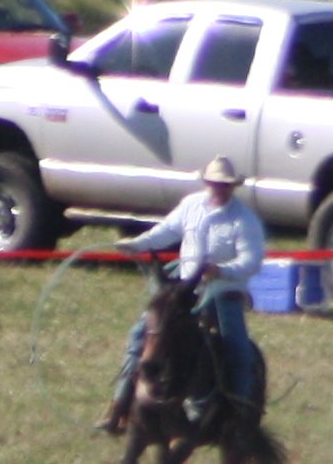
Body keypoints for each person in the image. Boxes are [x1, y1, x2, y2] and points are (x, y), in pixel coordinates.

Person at [96, 155, 265, 435]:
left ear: (232, 187)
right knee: (142, 334)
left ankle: (240, 412)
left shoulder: (244, 220)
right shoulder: (191, 205)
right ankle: (119, 405)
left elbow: (252, 261)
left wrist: (221, 270)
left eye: (224, 185)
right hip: (186, 288)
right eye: (215, 183)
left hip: (224, 291)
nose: (219, 189)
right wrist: (137, 244)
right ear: (207, 183)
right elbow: (166, 232)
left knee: (237, 346)